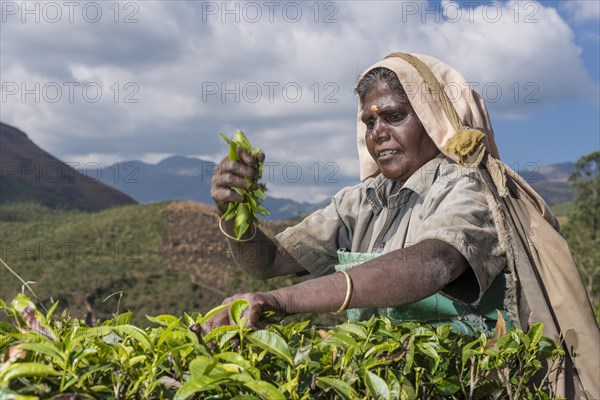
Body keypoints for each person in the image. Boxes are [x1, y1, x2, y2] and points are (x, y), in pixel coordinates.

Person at [208, 52, 599, 399]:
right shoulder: (360, 201)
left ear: (433, 120)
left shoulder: (470, 186)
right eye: (369, 121)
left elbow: (432, 263)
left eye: (394, 116)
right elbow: (269, 261)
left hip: (472, 384)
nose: (378, 132)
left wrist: (284, 301)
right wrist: (234, 213)